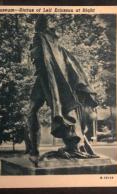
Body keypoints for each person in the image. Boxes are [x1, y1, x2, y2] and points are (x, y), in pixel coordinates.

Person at [27, 16, 98, 161]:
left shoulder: (45, 41)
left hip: (48, 81)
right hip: (43, 80)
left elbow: (71, 68)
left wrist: (82, 88)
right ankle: (34, 151)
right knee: (32, 111)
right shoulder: (50, 44)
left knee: (33, 111)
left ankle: (35, 152)